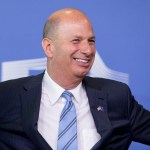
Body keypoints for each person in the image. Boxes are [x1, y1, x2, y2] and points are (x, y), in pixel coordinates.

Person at [0, 8, 150, 150]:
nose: (88, 50)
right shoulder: (7, 96)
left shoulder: (117, 96)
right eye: (76, 40)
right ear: (49, 47)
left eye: (91, 41)